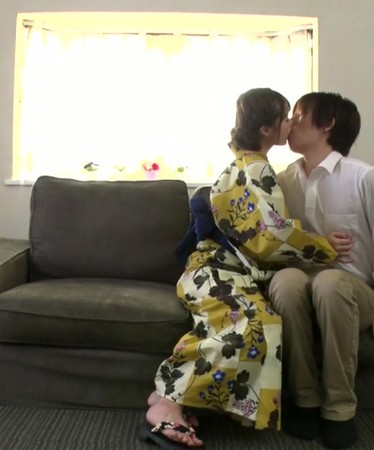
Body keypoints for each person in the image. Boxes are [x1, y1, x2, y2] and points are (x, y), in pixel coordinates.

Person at [140, 88, 342, 449]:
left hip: (218, 272)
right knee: (254, 326)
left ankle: (171, 395)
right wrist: (323, 246)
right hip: (214, 271)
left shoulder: (247, 163)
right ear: (266, 129)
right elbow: (270, 236)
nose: (290, 123)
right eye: (285, 117)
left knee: (254, 323)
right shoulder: (255, 168)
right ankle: (168, 401)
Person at [269, 92, 374, 448]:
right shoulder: (284, 181)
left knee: (330, 282)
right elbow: (278, 241)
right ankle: (305, 399)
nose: (291, 122)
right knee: (285, 281)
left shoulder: (365, 177)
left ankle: (339, 409)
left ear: (327, 124)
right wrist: (316, 243)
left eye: (299, 114)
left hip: (353, 290)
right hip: (302, 283)